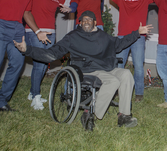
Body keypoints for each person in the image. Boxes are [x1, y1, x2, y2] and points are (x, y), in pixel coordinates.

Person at [14, 11, 153, 129]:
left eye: (89, 20)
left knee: (126, 74)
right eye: (83, 20)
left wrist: (137, 33)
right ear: (80, 23)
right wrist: (28, 50)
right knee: (113, 81)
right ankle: (91, 110)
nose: (85, 22)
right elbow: (52, 53)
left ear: (95, 22)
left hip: (106, 68)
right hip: (87, 70)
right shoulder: (73, 37)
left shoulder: (103, 36)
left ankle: (124, 115)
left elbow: (119, 44)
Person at [24, 0, 75, 110]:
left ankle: (32, 93)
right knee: (39, 64)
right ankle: (36, 96)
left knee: (44, 64)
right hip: (35, 32)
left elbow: (66, 5)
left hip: (51, 33)